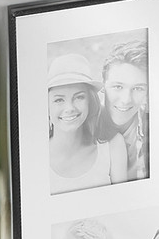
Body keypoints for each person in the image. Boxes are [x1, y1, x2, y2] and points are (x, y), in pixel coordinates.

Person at [48, 52, 128, 195]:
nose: (69, 108)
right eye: (59, 100)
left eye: (79, 97)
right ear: (47, 106)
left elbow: (124, 200)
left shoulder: (113, 146)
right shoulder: (34, 156)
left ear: (90, 101)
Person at [97, 39, 150, 181]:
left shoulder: (152, 128)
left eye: (138, 88)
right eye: (118, 87)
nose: (126, 100)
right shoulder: (83, 126)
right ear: (103, 85)